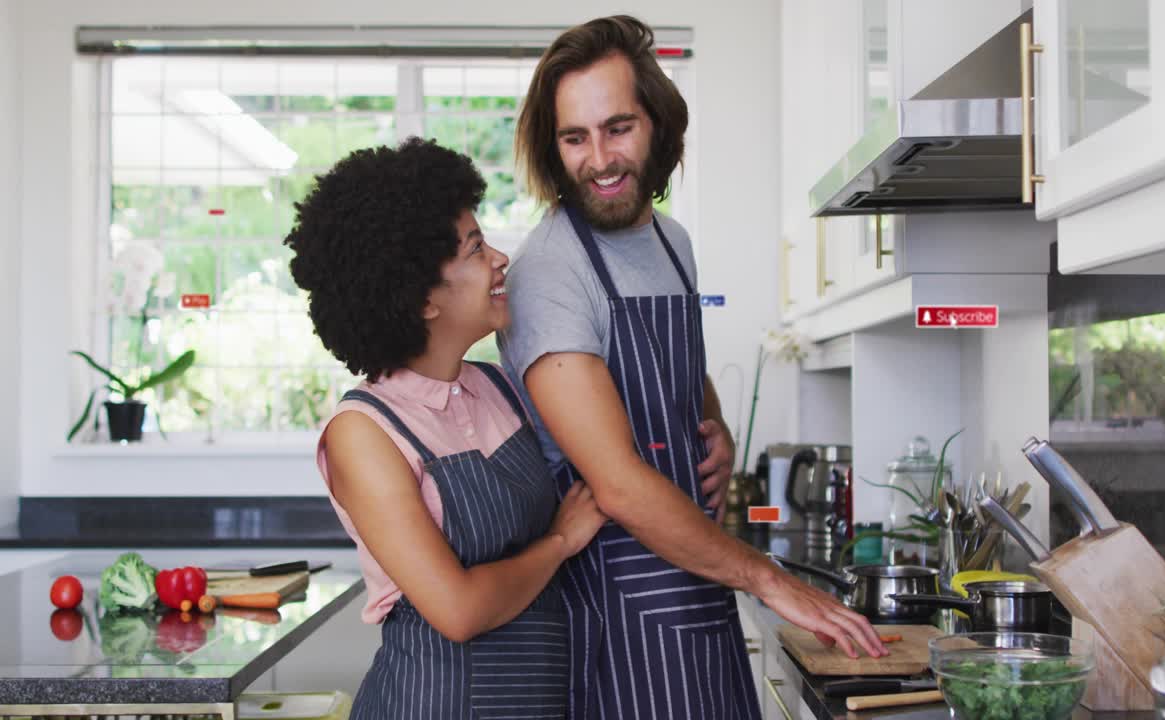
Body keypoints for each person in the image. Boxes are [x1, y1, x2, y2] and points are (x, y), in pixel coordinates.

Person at [499, 15, 887, 720]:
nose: (600, 159)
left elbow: (677, 367)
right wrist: (767, 578)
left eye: (618, 127)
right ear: (553, 150)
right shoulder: (549, 273)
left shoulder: (670, 240)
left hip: (698, 582)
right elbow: (615, 485)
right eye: (574, 138)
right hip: (615, 612)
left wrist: (714, 425)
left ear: (659, 123)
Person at [286, 137, 607, 719]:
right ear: (424, 297)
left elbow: (602, 450)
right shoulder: (364, 433)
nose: (500, 259)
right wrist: (559, 541)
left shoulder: (498, 385)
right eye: (477, 248)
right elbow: (456, 610)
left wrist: (706, 434)